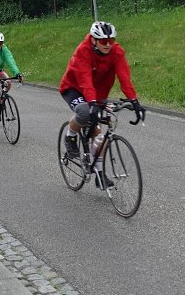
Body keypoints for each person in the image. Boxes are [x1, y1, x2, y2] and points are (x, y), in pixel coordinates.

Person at [59, 21, 146, 189]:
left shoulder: (116, 52)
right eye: (103, 41)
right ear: (93, 40)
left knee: (98, 135)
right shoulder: (83, 51)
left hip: (98, 93)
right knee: (85, 112)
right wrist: (91, 103)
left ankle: (99, 175)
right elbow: (84, 79)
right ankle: (70, 136)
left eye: (111, 41)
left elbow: (124, 77)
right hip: (74, 88)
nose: (108, 45)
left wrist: (134, 101)